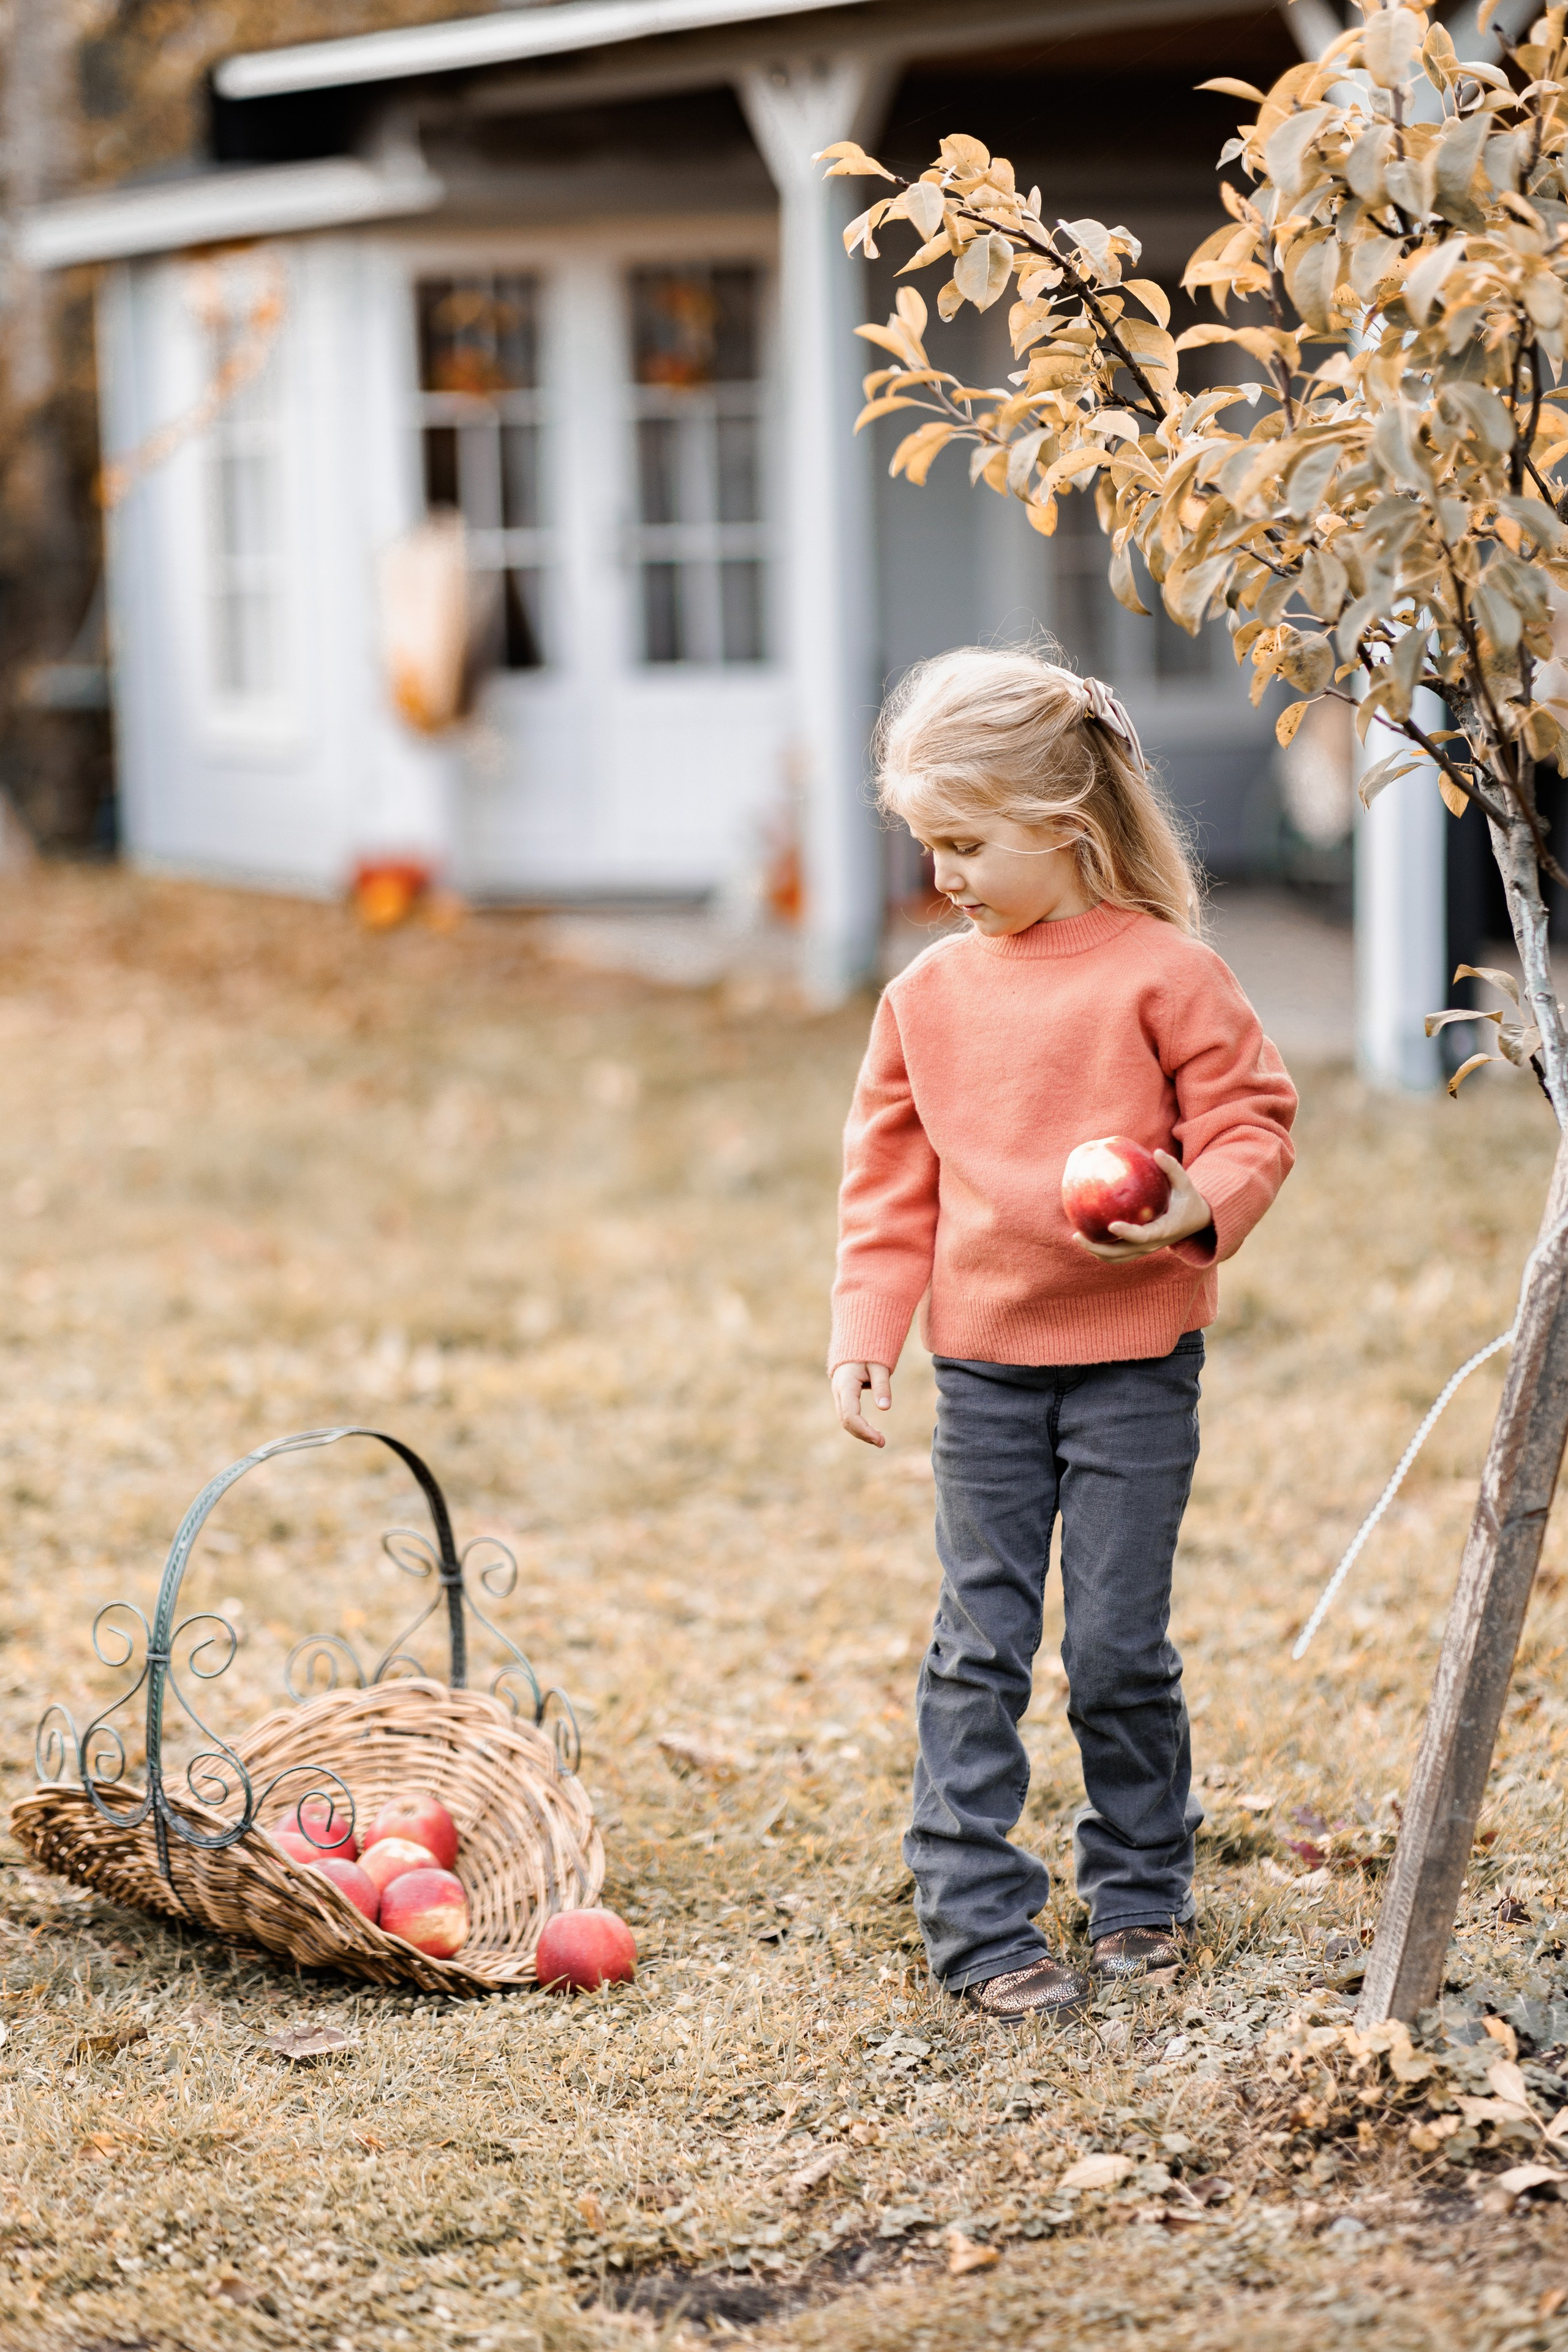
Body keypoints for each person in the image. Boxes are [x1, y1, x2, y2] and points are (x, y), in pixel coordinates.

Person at [829, 646, 1297, 2024]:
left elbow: (1247, 1120)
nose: (946, 876)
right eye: (929, 846)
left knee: (1115, 1647)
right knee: (978, 1642)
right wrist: (870, 1329)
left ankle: (1140, 1888)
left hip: (1135, 1366)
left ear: (1065, 824)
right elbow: (886, 1178)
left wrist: (1193, 1207)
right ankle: (973, 1916)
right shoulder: (925, 999)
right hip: (983, 1373)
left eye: (966, 842)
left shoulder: (1169, 975)